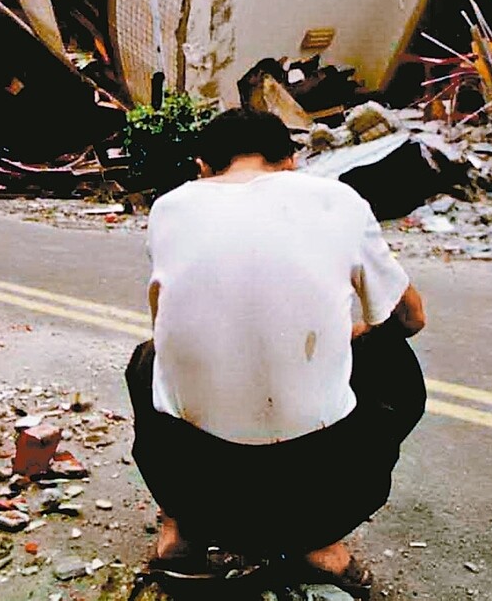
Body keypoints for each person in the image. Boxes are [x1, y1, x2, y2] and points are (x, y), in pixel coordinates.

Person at [126, 108, 427, 597]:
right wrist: (344, 335)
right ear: (291, 161)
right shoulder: (337, 198)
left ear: (203, 166)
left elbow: (163, 327)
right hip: (321, 475)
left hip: (202, 474)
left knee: (146, 360)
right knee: (390, 352)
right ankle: (321, 543)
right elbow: (410, 318)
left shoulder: (170, 207)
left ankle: (181, 532)